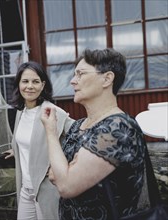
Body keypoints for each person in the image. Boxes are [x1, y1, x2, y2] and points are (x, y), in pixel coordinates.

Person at [41, 48, 146, 219]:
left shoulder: (119, 127)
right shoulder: (78, 126)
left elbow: (66, 185)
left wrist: (51, 133)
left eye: (80, 74)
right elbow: (53, 174)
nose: (73, 81)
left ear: (107, 78)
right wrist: (65, 172)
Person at [3, 61, 74, 219]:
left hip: (46, 189)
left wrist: (64, 164)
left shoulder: (53, 112)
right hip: (25, 190)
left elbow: (78, 137)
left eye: (35, 82)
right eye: (25, 81)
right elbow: (30, 141)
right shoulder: (20, 113)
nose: (29, 86)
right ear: (18, 84)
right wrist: (17, 148)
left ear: (42, 85)